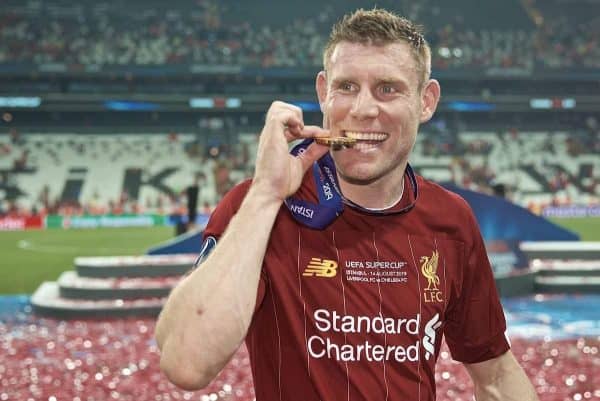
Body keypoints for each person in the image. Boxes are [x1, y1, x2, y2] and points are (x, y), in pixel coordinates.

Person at [155, 8, 539, 401]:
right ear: (323, 92)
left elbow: (495, 374)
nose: (362, 110)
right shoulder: (260, 206)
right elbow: (186, 363)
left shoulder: (451, 221)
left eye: (388, 88)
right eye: (347, 87)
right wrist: (266, 195)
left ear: (426, 101)